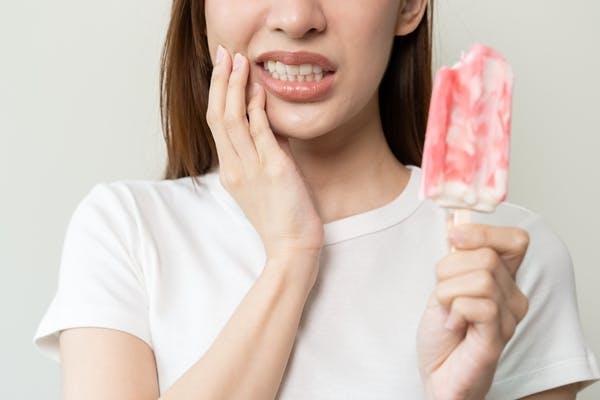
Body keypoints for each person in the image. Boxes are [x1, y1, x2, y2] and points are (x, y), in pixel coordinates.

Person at [33, 0, 599, 399]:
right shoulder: (126, 231)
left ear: (409, 5)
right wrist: (291, 257)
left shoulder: (505, 260)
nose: (297, 18)